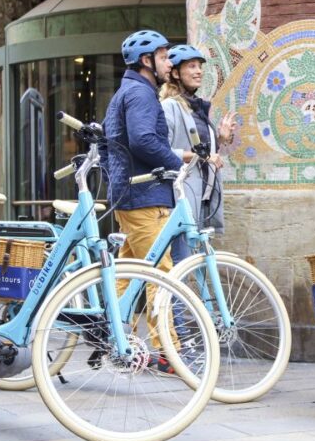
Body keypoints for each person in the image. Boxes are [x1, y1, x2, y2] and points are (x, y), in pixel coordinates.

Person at [99, 29, 183, 374]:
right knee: (160, 272)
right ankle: (169, 352)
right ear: (147, 61)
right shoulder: (141, 94)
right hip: (144, 194)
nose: (169, 62)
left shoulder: (126, 92)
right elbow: (145, 140)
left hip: (129, 193)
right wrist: (178, 162)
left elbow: (108, 144)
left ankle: (116, 339)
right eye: (164, 57)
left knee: (127, 273)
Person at [159, 44, 236, 264]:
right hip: (181, 198)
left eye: (200, 66)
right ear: (175, 73)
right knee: (182, 262)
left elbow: (201, 152)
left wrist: (219, 139)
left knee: (197, 263)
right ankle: (176, 300)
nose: (199, 71)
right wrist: (203, 156)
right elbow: (162, 150)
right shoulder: (169, 107)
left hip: (201, 198)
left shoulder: (196, 108)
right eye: (191, 66)